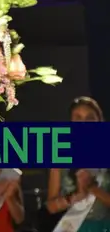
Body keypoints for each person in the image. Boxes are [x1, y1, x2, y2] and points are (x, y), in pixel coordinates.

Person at [46, 97, 110, 232]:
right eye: (78, 118)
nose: (84, 123)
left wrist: (92, 188)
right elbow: (51, 206)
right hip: (72, 227)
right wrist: (73, 198)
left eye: (90, 118)